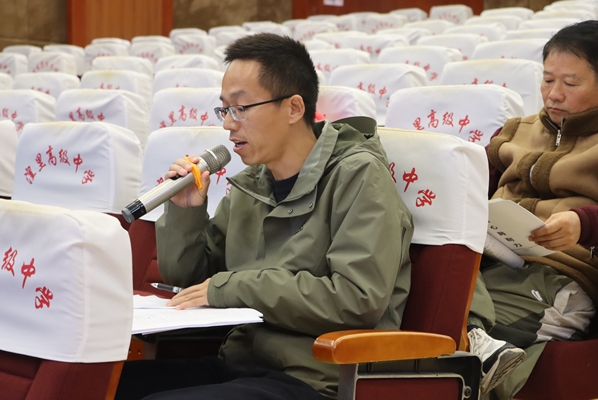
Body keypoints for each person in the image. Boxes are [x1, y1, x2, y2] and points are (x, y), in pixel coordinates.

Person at [115, 33, 412, 400]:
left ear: (294, 108)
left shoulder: (358, 176)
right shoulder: (253, 183)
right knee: (98, 384)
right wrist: (185, 214)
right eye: (224, 109)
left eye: (241, 108)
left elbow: (356, 298)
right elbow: (190, 280)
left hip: (317, 377)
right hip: (241, 363)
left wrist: (232, 288)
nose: (228, 124)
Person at [466, 20, 598, 399]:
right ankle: (472, 336)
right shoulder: (514, 132)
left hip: (558, 274)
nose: (553, 94)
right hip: (488, 256)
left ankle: (472, 338)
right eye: (547, 80)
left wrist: (583, 223)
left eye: (570, 83)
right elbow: (466, 181)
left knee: (442, 325)